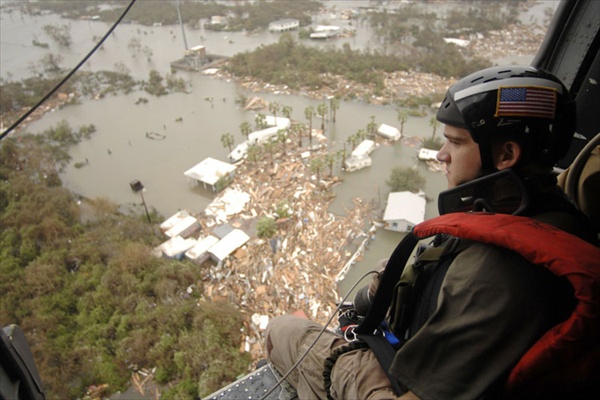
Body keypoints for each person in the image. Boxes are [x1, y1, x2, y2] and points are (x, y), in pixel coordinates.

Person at [265, 65, 597, 399]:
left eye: (455, 142)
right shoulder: (559, 207)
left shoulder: (491, 275)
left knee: (282, 330)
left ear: (506, 155)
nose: (441, 155)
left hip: (399, 388)